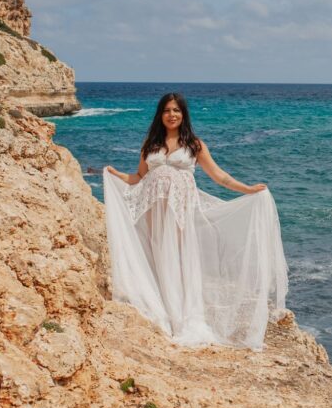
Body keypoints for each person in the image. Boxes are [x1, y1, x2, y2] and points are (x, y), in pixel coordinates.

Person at [102, 93, 289, 350]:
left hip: (179, 212)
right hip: (154, 211)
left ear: (183, 114)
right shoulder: (150, 144)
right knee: (157, 257)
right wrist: (115, 175)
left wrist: (247, 189)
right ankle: (162, 311)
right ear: (160, 114)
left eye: (176, 110)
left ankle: (182, 317)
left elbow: (219, 176)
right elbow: (139, 177)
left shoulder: (194, 145)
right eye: (167, 110)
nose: (172, 115)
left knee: (179, 259)